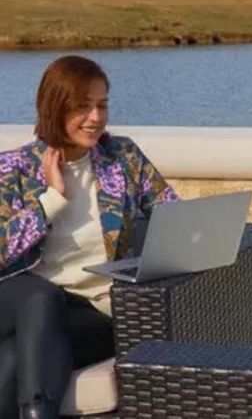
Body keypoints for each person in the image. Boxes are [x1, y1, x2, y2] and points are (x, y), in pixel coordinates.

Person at [0, 56, 178, 419]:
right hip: (22, 300)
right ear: (54, 107)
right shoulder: (14, 168)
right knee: (42, 297)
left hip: (94, 311)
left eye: (102, 105)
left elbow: (172, 214)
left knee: (16, 356)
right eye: (83, 106)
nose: (96, 117)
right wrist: (52, 200)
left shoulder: (123, 158)